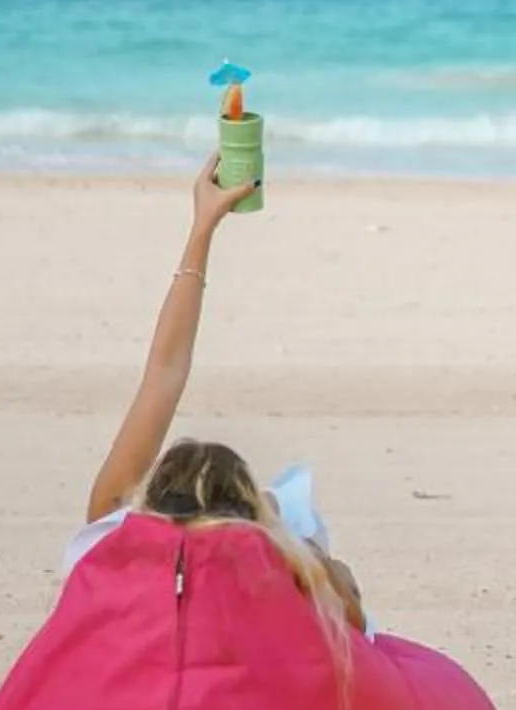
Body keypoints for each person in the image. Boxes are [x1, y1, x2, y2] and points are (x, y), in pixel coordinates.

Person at [73, 157, 365, 632]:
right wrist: (301, 546)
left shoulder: (112, 546)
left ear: (151, 506)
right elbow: (353, 617)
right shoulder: (276, 582)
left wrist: (202, 227)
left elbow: (163, 373)